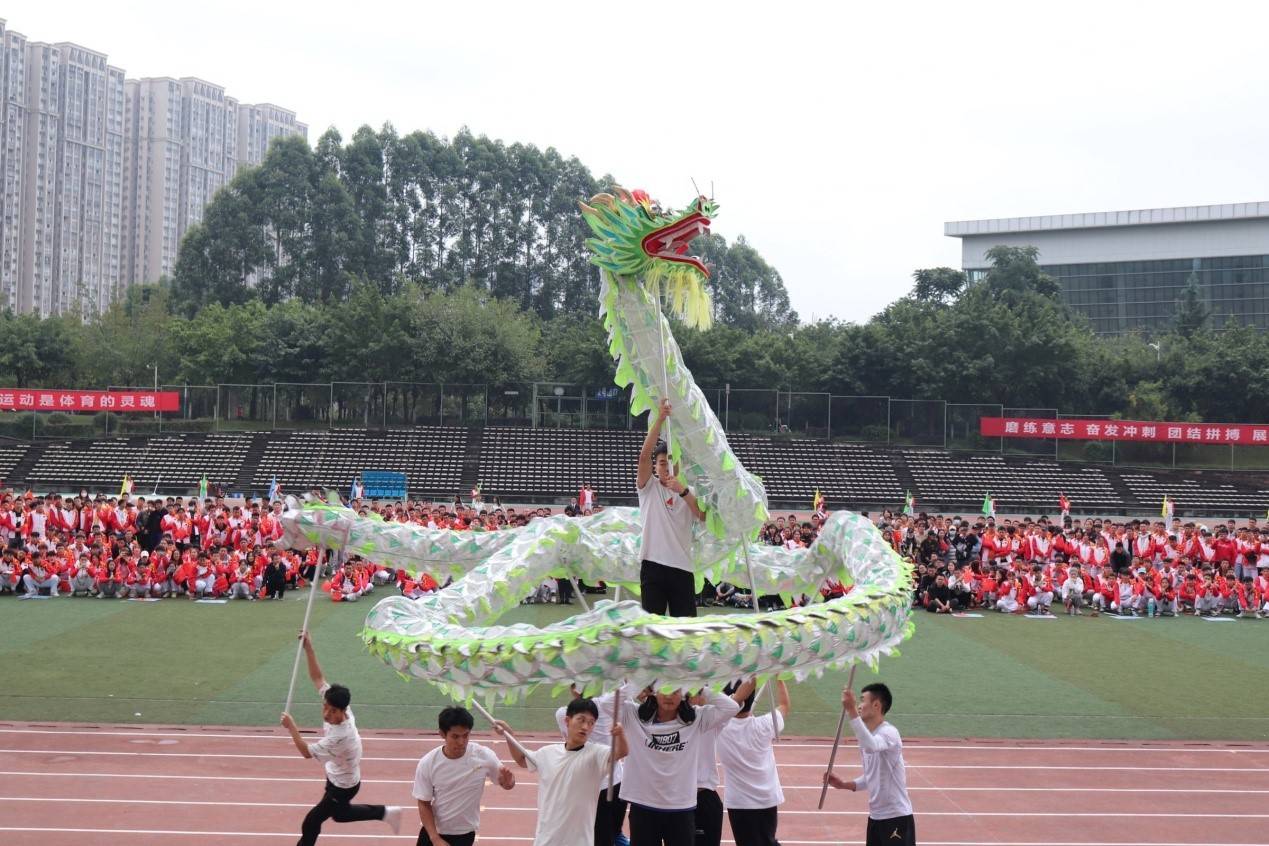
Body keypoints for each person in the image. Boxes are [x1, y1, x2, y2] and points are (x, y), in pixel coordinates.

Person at [280, 631, 403, 845]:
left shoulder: (340, 736)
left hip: (343, 784)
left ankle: (385, 813)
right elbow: (318, 678)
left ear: (343, 711)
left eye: (332, 711)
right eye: (325, 707)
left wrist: (292, 727)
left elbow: (306, 753)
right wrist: (309, 648)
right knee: (340, 815)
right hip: (337, 775)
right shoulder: (335, 702)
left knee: (311, 822)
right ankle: (386, 813)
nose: (327, 714)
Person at [619, 678, 755, 846]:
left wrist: (699, 689)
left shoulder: (697, 719)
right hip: (643, 807)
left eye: (676, 691)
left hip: (681, 809)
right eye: (665, 690)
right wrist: (639, 684)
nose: (670, 697)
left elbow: (731, 707)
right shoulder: (634, 716)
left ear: (684, 694)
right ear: (654, 691)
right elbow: (608, 704)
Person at [498, 697, 629, 846]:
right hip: (546, 840)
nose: (585, 727)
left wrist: (620, 734)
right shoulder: (547, 753)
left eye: (591, 723)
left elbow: (621, 752)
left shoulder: (596, 754)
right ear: (567, 721)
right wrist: (508, 734)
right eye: (581, 720)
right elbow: (521, 759)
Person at [637, 398, 705, 617]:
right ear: (656, 466)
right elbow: (643, 456)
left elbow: (702, 516)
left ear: (679, 464)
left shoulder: (690, 491)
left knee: (685, 632)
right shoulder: (649, 488)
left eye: (671, 461)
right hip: (653, 566)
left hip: (682, 568)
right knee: (653, 630)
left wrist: (683, 492)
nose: (666, 466)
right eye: (662, 462)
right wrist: (660, 419)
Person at [823, 683, 915, 846]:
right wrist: (845, 784)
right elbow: (870, 777)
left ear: (876, 705)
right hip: (876, 818)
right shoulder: (866, 739)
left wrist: (851, 711)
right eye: (857, 702)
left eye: (862, 700)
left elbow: (872, 746)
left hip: (896, 818)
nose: (858, 706)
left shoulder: (889, 733)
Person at [413, 706, 515, 846]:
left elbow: (507, 784)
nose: (461, 742)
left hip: (464, 835)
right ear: (442, 734)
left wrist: (508, 782)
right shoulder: (428, 763)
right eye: (455, 736)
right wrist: (435, 839)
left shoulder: (483, 755)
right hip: (433, 833)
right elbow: (423, 803)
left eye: (465, 735)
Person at [717, 680, 789, 846]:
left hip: (739, 802)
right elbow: (784, 705)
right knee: (767, 841)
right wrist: (779, 678)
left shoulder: (720, 726)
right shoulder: (765, 724)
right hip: (767, 799)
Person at [554, 687, 628, 846]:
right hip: (606, 783)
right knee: (609, 833)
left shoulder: (564, 714)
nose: (586, 726)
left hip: (602, 784)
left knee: (598, 834)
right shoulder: (606, 703)